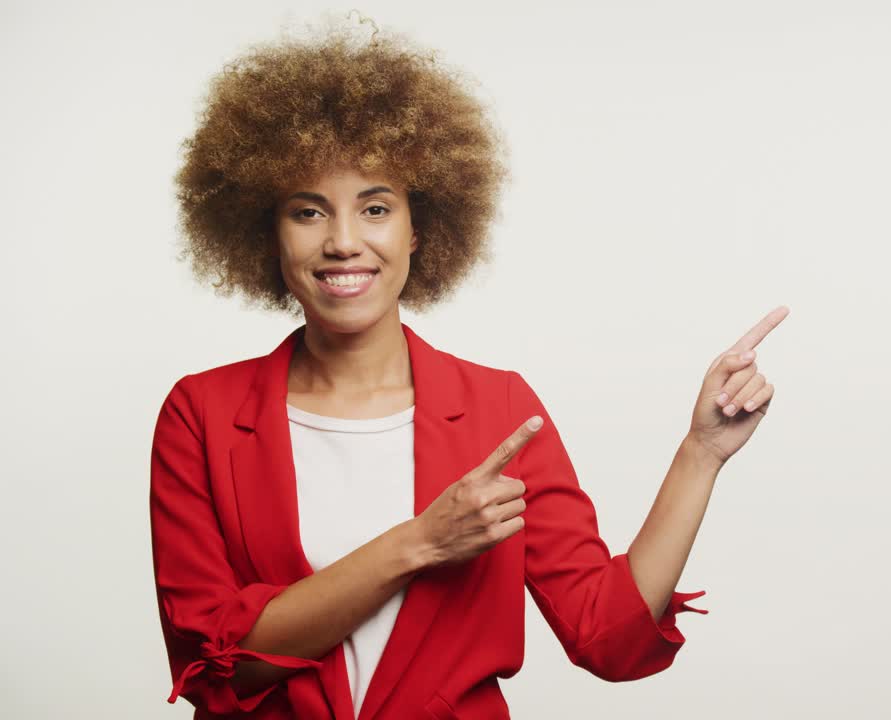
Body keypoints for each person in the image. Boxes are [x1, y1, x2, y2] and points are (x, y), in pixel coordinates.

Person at [150, 16, 787, 720]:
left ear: (418, 228)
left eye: (375, 207)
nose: (342, 241)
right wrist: (417, 544)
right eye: (308, 211)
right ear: (267, 233)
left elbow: (606, 639)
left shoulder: (496, 409)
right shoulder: (202, 414)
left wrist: (700, 455)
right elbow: (220, 667)